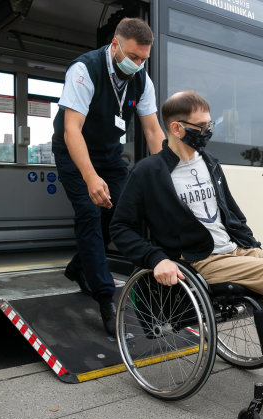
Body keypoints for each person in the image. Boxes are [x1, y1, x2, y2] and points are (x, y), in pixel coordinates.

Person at [110, 91, 263, 410]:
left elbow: (230, 211)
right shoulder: (150, 172)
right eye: (201, 125)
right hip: (199, 260)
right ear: (176, 128)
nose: (208, 130)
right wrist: (155, 258)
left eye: (209, 123)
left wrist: (254, 247)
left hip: (234, 249)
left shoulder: (209, 162)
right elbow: (120, 228)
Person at [51, 18, 165, 336]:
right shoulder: (84, 70)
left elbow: (153, 131)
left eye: (144, 59)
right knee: (89, 213)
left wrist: (166, 178)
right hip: (74, 152)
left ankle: (78, 268)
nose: (138, 64)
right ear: (115, 45)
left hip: (110, 156)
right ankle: (105, 299)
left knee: (122, 216)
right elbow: (72, 129)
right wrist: (90, 178)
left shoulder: (141, 79)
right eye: (133, 56)